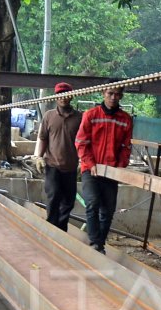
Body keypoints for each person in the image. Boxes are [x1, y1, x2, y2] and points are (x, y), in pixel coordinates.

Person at [74, 87, 133, 253]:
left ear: (121, 96)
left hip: (111, 171)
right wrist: (90, 163)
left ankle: (100, 244)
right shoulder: (91, 115)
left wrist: (120, 166)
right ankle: (95, 243)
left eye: (117, 94)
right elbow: (81, 142)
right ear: (103, 94)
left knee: (108, 210)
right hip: (91, 169)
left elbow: (126, 147)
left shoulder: (125, 119)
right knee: (92, 203)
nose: (114, 97)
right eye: (110, 94)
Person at [34, 82, 83, 230]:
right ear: (56, 97)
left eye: (66, 94)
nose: (63, 98)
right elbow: (43, 138)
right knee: (54, 196)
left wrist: (82, 160)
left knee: (68, 201)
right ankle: (51, 228)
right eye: (60, 95)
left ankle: (61, 229)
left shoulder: (80, 118)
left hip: (71, 167)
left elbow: (85, 142)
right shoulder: (49, 116)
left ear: (71, 96)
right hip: (52, 165)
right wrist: (38, 157)